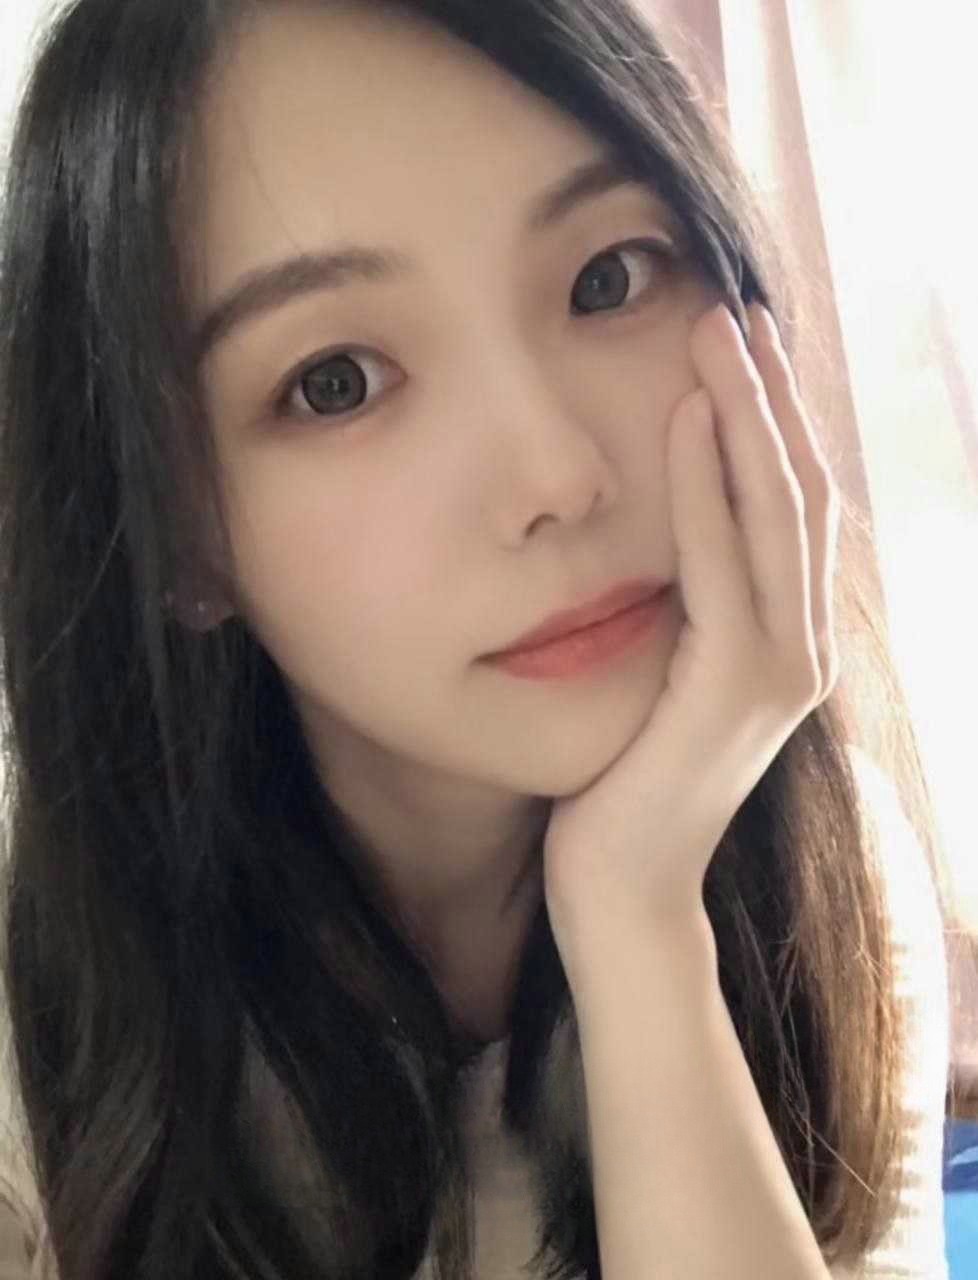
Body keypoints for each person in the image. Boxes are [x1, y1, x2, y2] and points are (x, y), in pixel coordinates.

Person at [0, 1, 951, 1277]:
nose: (557, 474)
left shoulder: (836, 880)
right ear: (178, 534)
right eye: (335, 381)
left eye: (607, 278)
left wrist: (640, 919)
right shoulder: (31, 1034)